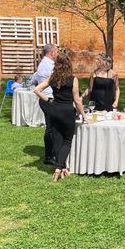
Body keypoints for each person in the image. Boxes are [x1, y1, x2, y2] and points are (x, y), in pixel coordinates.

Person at [34, 53, 89, 181]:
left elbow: (36, 89)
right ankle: (59, 168)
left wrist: (49, 100)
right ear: (69, 64)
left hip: (54, 111)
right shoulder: (73, 79)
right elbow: (77, 100)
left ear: (56, 65)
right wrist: (84, 116)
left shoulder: (53, 77)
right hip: (66, 112)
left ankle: (62, 167)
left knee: (58, 140)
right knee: (67, 141)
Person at [30, 43, 59, 165]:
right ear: (52, 53)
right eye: (57, 51)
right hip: (48, 99)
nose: (58, 54)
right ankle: (49, 156)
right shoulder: (50, 66)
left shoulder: (42, 64)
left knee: (52, 127)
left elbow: (33, 80)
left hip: (45, 99)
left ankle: (53, 152)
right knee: (51, 128)